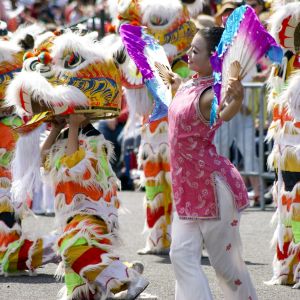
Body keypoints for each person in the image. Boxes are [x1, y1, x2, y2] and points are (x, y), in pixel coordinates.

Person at [168, 27, 258, 300]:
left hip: (213, 190)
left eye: (195, 51)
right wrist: (174, 86)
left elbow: (224, 112)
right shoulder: (191, 82)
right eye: (190, 49)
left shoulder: (210, 94)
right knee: (180, 255)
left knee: (226, 267)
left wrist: (238, 98)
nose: (188, 54)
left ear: (213, 57)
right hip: (186, 188)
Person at [41, 114, 149, 300]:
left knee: (70, 250)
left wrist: (74, 126)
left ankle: (127, 277)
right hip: (71, 214)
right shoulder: (65, 135)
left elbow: (72, 165)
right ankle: (122, 273)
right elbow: (43, 160)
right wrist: (57, 129)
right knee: (81, 293)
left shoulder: (95, 138)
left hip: (92, 212)